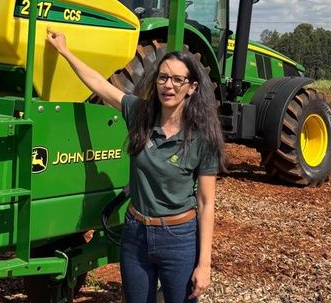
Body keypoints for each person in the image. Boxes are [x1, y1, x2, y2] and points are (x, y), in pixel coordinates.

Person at [46, 27, 224, 303]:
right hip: (136, 234)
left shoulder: (203, 137)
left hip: (178, 238)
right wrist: (65, 51)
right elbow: (100, 85)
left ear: (192, 87)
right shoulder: (140, 114)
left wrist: (204, 264)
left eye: (178, 79)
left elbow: (206, 202)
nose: (169, 85)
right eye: (163, 77)